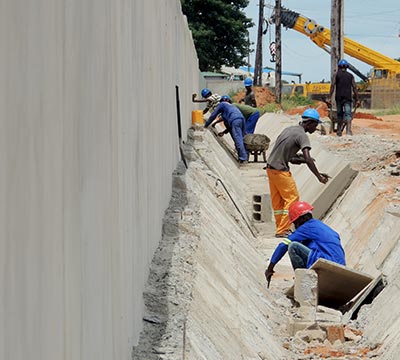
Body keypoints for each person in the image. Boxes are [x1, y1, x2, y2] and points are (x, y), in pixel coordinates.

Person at [265, 108, 330, 238]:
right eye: (315, 125)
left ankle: (280, 228)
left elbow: (289, 156)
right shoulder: (302, 135)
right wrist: (319, 176)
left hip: (270, 168)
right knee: (292, 199)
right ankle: (283, 229)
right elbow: (307, 157)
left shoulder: (289, 130)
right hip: (281, 170)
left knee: (278, 201)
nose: (315, 128)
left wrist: (302, 161)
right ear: (310, 122)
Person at [264, 201, 346, 288]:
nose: (296, 227)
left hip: (328, 264)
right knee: (305, 244)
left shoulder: (307, 227)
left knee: (293, 246)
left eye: (295, 223)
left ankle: (303, 282)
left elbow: (283, 245)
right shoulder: (320, 226)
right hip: (340, 268)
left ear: (302, 219)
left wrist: (270, 269)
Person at [204, 95, 248, 163]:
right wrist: (224, 132)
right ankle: (244, 156)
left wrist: (206, 125)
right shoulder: (231, 108)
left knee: (238, 139)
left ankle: (243, 158)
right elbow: (229, 126)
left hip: (235, 120)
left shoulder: (222, 104)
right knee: (242, 138)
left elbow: (213, 115)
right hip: (241, 119)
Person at [329, 59, 359, 136]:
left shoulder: (336, 75)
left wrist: (329, 97)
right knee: (348, 114)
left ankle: (339, 131)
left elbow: (332, 86)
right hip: (348, 98)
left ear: (339, 66)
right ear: (347, 67)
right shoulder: (350, 76)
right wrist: (357, 99)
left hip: (338, 98)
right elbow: (355, 87)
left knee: (339, 114)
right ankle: (348, 131)